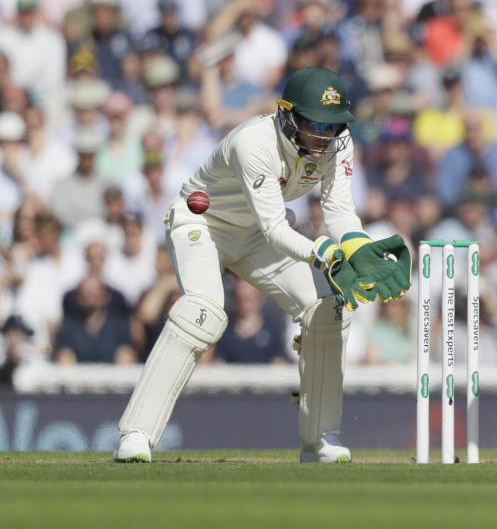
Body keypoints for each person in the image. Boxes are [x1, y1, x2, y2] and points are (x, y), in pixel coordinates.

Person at [113, 67, 411, 464]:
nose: (323, 136)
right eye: (314, 124)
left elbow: (339, 211)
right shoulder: (254, 142)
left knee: (328, 308)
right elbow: (274, 229)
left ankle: (320, 437)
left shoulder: (338, 143)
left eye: (332, 126)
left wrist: (359, 250)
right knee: (203, 311)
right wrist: (328, 255)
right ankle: (135, 434)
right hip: (201, 222)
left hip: (254, 233)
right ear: (288, 115)